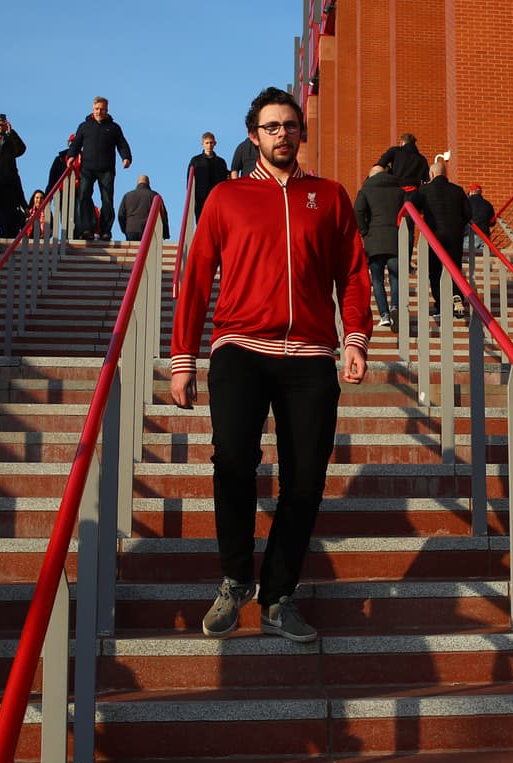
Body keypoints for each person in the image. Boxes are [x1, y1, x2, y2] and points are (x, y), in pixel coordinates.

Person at [170, 86, 371, 644]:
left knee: (305, 480)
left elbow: (353, 273)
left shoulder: (329, 196)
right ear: (254, 136)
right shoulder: (227, 198)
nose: (282, 134)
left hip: (310, 357)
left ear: (300, 132)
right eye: (271, 127)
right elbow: (195, 278)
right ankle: (236, 579)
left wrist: (355, 337)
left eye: (290, 125)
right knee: (234, 458)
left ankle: (280, 595)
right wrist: (182, 358)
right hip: (239, 348)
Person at [69, 96, 132, 241]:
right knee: (84, 197)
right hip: (87, 168)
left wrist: (126, 157)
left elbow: (122, 144)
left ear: (107, 110)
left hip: (106, 169)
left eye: (102, 109)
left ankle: (105, 231)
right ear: (93, 109)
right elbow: (76, 143)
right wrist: (72, 156)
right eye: (97, 109)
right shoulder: (84, 126)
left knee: (107, 200)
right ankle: (86, 229)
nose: (99, 112)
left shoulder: (114, 128)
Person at [418, 161, 473, 321]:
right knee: (454, 267)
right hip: (455, 235)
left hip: (434, 235)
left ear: (432, 175)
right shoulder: (457, 191)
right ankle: (457, 295)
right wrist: (458, 225)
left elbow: (412, 205)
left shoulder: (425, 190)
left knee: (435, 271)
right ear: (445, 174)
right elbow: (468, 213)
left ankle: (441, 304)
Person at [354, 164, 405, 328]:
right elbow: (407, 212)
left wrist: (364, 231)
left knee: (377, 279)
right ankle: (395, 306)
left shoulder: (366, 190)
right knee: (395, 276)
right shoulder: (399, 190)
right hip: (395, 238)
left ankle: (384, 314)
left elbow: (358, 211)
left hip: (374, 240)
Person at [187, 132, 229, 218]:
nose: (209, 145)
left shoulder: (221, 162)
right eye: (207, 143)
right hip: (200, 198)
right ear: (202, 144)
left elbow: (226, 179)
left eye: (211, 142)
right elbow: (189, 180)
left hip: (217, 197)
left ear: (215, 143)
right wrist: (191, 199)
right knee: (201, 221)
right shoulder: (195, 161)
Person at [118, 174, 169, 241]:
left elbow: (120, 215)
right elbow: (163, 215)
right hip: (149, 230)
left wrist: (125, 229)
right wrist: (165, 233)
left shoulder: (127, 196)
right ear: (148, 184)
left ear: (137, 183)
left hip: (131, 230)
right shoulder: (155, 196)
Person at [467, 183, 495, 252]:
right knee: (484, 260)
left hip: (469, 235)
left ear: (471, 192)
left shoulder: (466, 202)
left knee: (467, 259)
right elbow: (493, 222)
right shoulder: (487, 204)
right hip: (484, 236)